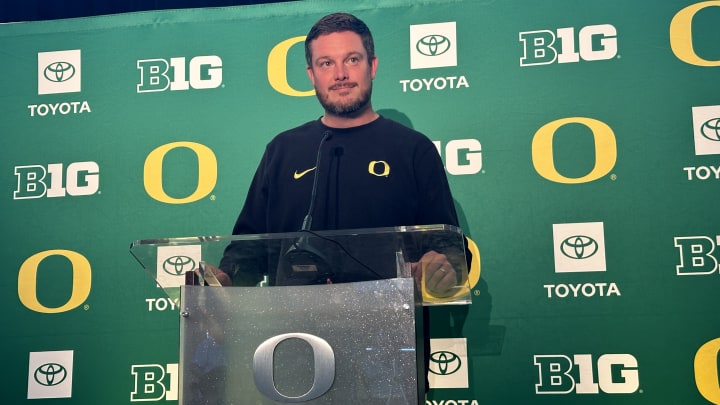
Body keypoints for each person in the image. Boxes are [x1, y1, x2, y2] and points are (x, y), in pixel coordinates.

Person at [206, 11, 471, 397]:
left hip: (386, 347)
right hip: (291, 347)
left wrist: (442, 267)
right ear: (311, 75)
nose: (340, 73)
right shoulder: (283, 150)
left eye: (352, 59)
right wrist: (224, 280)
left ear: (372, 66)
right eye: (326, 63)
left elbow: (447, 244)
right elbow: (251, 248)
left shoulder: (413, 149)